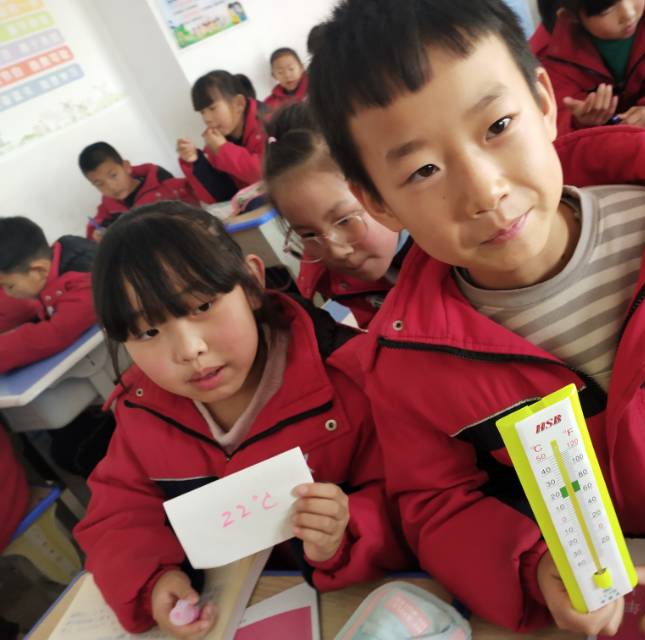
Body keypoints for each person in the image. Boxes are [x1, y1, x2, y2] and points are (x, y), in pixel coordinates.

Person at [308, 0, 645, 636]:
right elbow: (437, 503)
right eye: (423, 170)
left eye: (497, 126)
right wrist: (533, 565)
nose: (484, 191)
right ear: (377, 201)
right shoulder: (408, 363)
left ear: (545, 103)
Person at [73, 203, 410, 636]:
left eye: (202, 305)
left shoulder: (347, 378)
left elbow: (413, 495)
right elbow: (117, 518)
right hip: (235, 610)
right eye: (148, 332)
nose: (189, 350)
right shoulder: (142, 412)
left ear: (251, 283)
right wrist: (152, 583)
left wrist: (345, 532)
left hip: (356, 600)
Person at [264, 103, 409, 327]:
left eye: (345, 220)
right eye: (309, 234)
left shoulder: (453, 250)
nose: (336, 251)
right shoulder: (332, 280)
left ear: (383, 186)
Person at [531, 0, 645, 133]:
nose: (629, 14)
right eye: (607, 10)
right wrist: (579, 122)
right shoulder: (546, 56)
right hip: (608, 153)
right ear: (570, 17)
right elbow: (547, 120)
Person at [0, 217, 96, 373]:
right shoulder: (49, 279)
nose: (7, 293)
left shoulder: (86, 280)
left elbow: (56, 333)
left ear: (38, 271)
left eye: (9, 286)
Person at [78, 142, 199, 241]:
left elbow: (195, 199)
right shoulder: (108, 207)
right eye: (99, 184)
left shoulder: (163, 186)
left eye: (113, 175)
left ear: (126, 167)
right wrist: (97, 235)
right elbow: (95, 226)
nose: (111, 186)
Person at [177, 70, 267, 204]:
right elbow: (220, 197)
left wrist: (223, 149)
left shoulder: (270, 123)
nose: (207, 118)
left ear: (239, 103)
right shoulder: (215, 142)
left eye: (212, 108)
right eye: (202, 112)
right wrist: (195, 162)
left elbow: (269, 174)